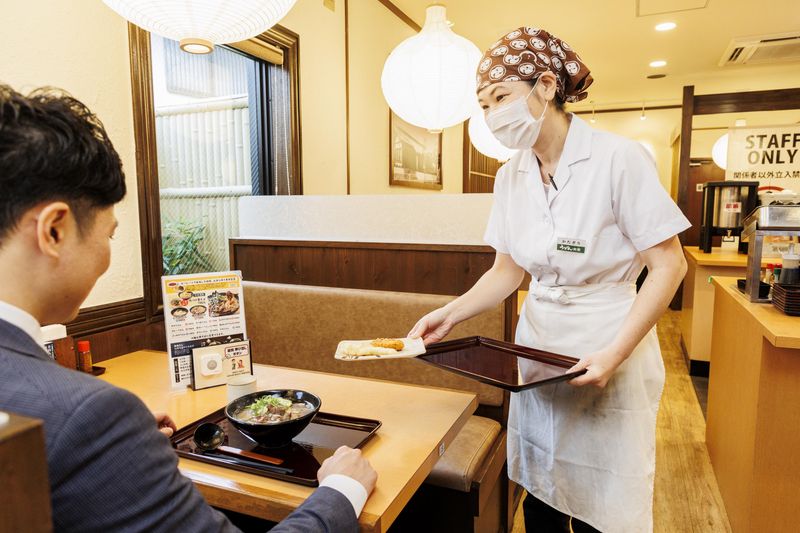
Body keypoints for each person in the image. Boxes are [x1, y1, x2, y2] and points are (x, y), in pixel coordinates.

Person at [0, 84, 377, 532]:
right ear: (55, 231)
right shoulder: (91, 417)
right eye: (110, 235)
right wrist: (341, 492)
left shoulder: (78, 413)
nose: (106, 254)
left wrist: (127, 445)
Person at [409, 27, 689, 533]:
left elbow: (670, 266)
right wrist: (448, 314)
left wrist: (616, 353)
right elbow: (506, 272)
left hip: (608, 337)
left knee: (605, 498)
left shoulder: (618, 159)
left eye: (501, 98)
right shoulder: (509, 176)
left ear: (544, 86)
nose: (493, 115)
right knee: (542, 488)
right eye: (484, 105)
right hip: (537, 347)